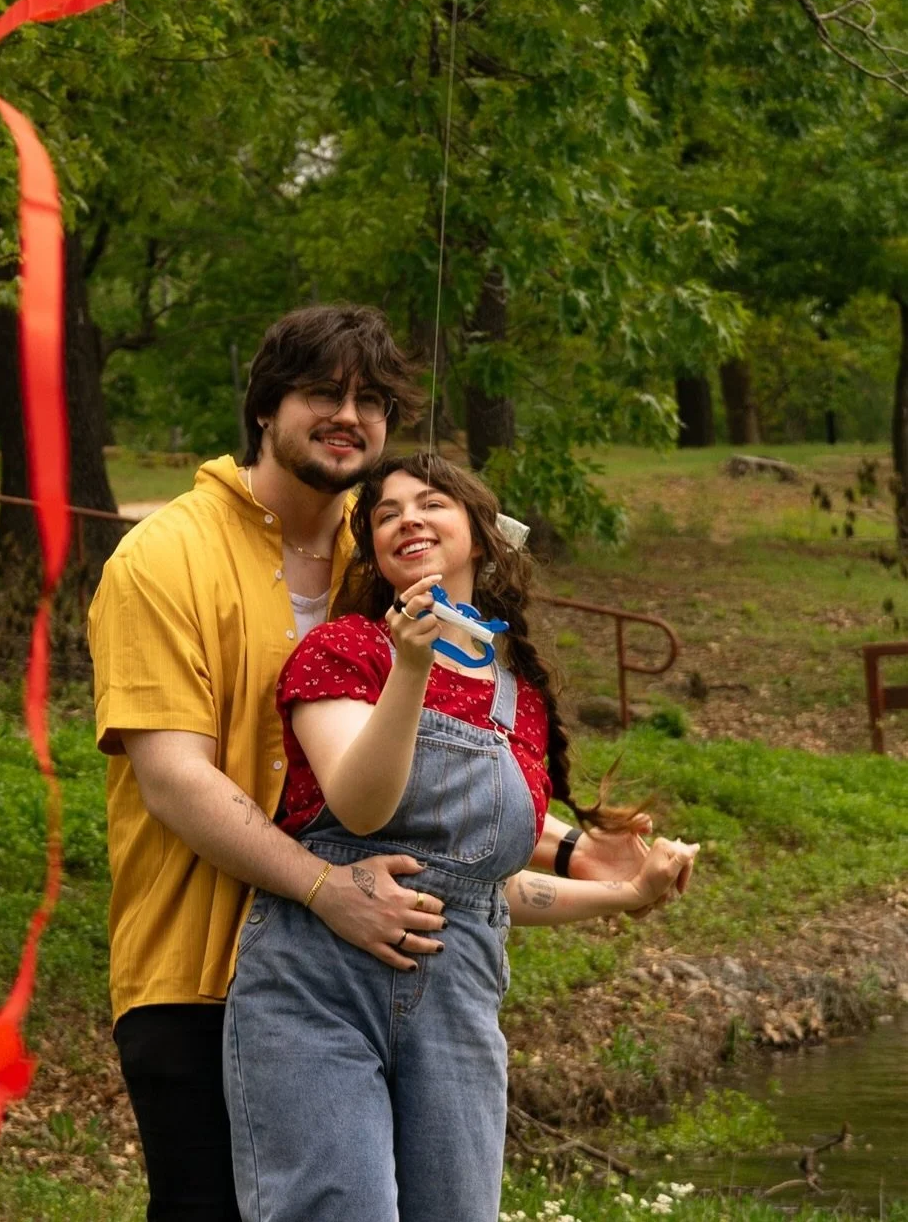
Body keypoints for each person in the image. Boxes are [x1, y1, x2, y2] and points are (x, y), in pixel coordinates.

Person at [89, 306, 675, 1222]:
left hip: (398, 959)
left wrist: (568, 849)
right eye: (322, 392)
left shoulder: (384, 559)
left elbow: (439, 759)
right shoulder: (165, 557)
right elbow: (174, 778)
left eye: (371, 400)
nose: (348, 415)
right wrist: (326, 890)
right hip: (199, 970)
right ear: (263, 408)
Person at [222, 453, 699, 1222]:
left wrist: (626, 893)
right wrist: (409, 667)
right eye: (385, 512)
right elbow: (361, 805)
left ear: (480, 535)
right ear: (374, 549)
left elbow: (484, 888)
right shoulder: (347, 650)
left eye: (432, 502)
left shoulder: (521, 700)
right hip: (317, 987)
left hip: (458, 1000)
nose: (407, 517)